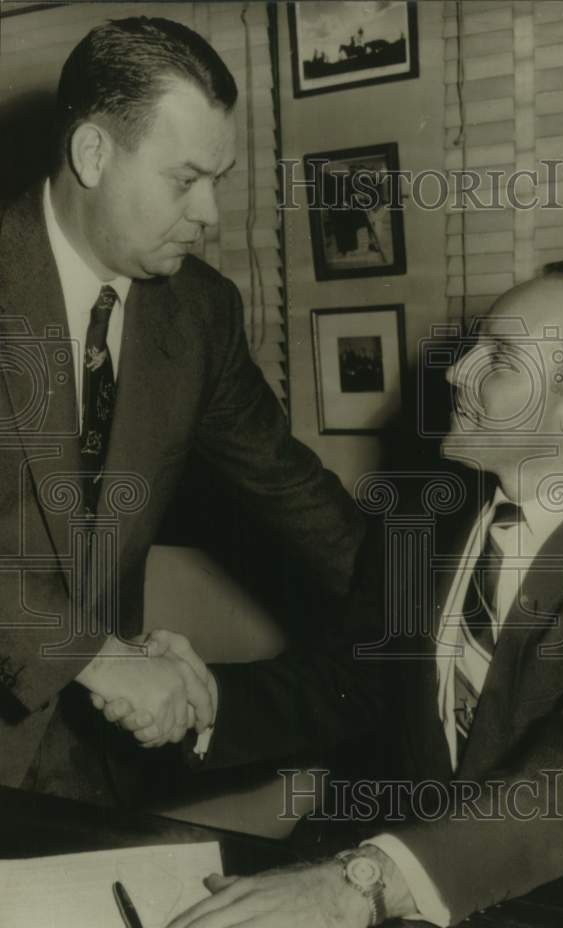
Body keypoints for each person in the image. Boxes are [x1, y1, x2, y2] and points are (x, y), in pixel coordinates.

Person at [103, 262, 563, 928]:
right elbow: (349, 683)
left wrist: (365, 880)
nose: (459, 373)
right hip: (407, 912)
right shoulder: (428, 519)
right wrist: (201, 704)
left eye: (500, 359)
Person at [0, 17, 363, 802]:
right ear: (93, 153)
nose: (210, 216)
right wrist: (95, 654)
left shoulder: (199, 313)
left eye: (219, 181)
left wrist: (437, 603)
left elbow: (288, 488)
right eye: (184, 179)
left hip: (82, 753)